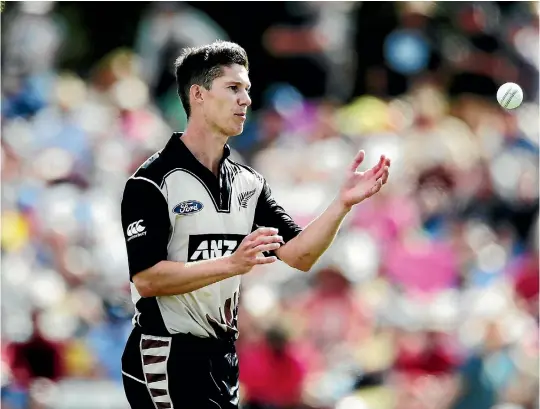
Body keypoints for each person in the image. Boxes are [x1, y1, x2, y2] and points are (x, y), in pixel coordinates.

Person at [120, 40, 391, 409]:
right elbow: (148, 279)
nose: (245, 99)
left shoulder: (248, 183)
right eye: (233, 89)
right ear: (198, 95)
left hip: (223, 356)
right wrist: (233, 263)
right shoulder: (151, 182)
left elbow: (300, 255)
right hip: (166, 353)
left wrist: (341, 205)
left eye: (246, 89)